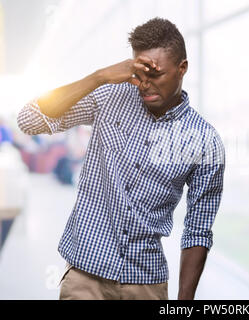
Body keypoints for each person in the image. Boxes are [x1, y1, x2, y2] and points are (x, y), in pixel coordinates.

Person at [17, 17, 225, 300]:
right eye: (141, 74)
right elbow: (30, 119)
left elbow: (198, 229)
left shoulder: (204, 140)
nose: (145, 85)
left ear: (182, 68)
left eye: (156, 74)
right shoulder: (108, 97)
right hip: (84, 276)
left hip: (145, 283)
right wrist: (98, 77)